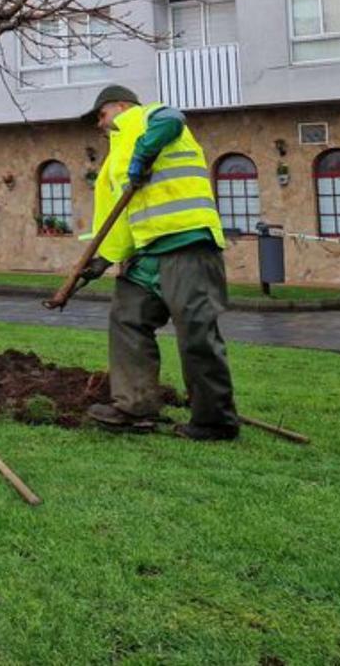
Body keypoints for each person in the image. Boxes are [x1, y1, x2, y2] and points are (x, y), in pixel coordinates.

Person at [78, 85, 239, 441]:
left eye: (101, 116)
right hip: (147, 252)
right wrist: (102, 259)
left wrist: (145, 153)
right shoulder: (113, 161)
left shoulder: (147, 116)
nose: (99, 125)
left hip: (188, 243)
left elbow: (172, 119)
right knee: (127, 318)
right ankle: (134, 406)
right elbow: (118, 218)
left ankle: (215, 421)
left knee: (196, 331)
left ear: (121, 106)